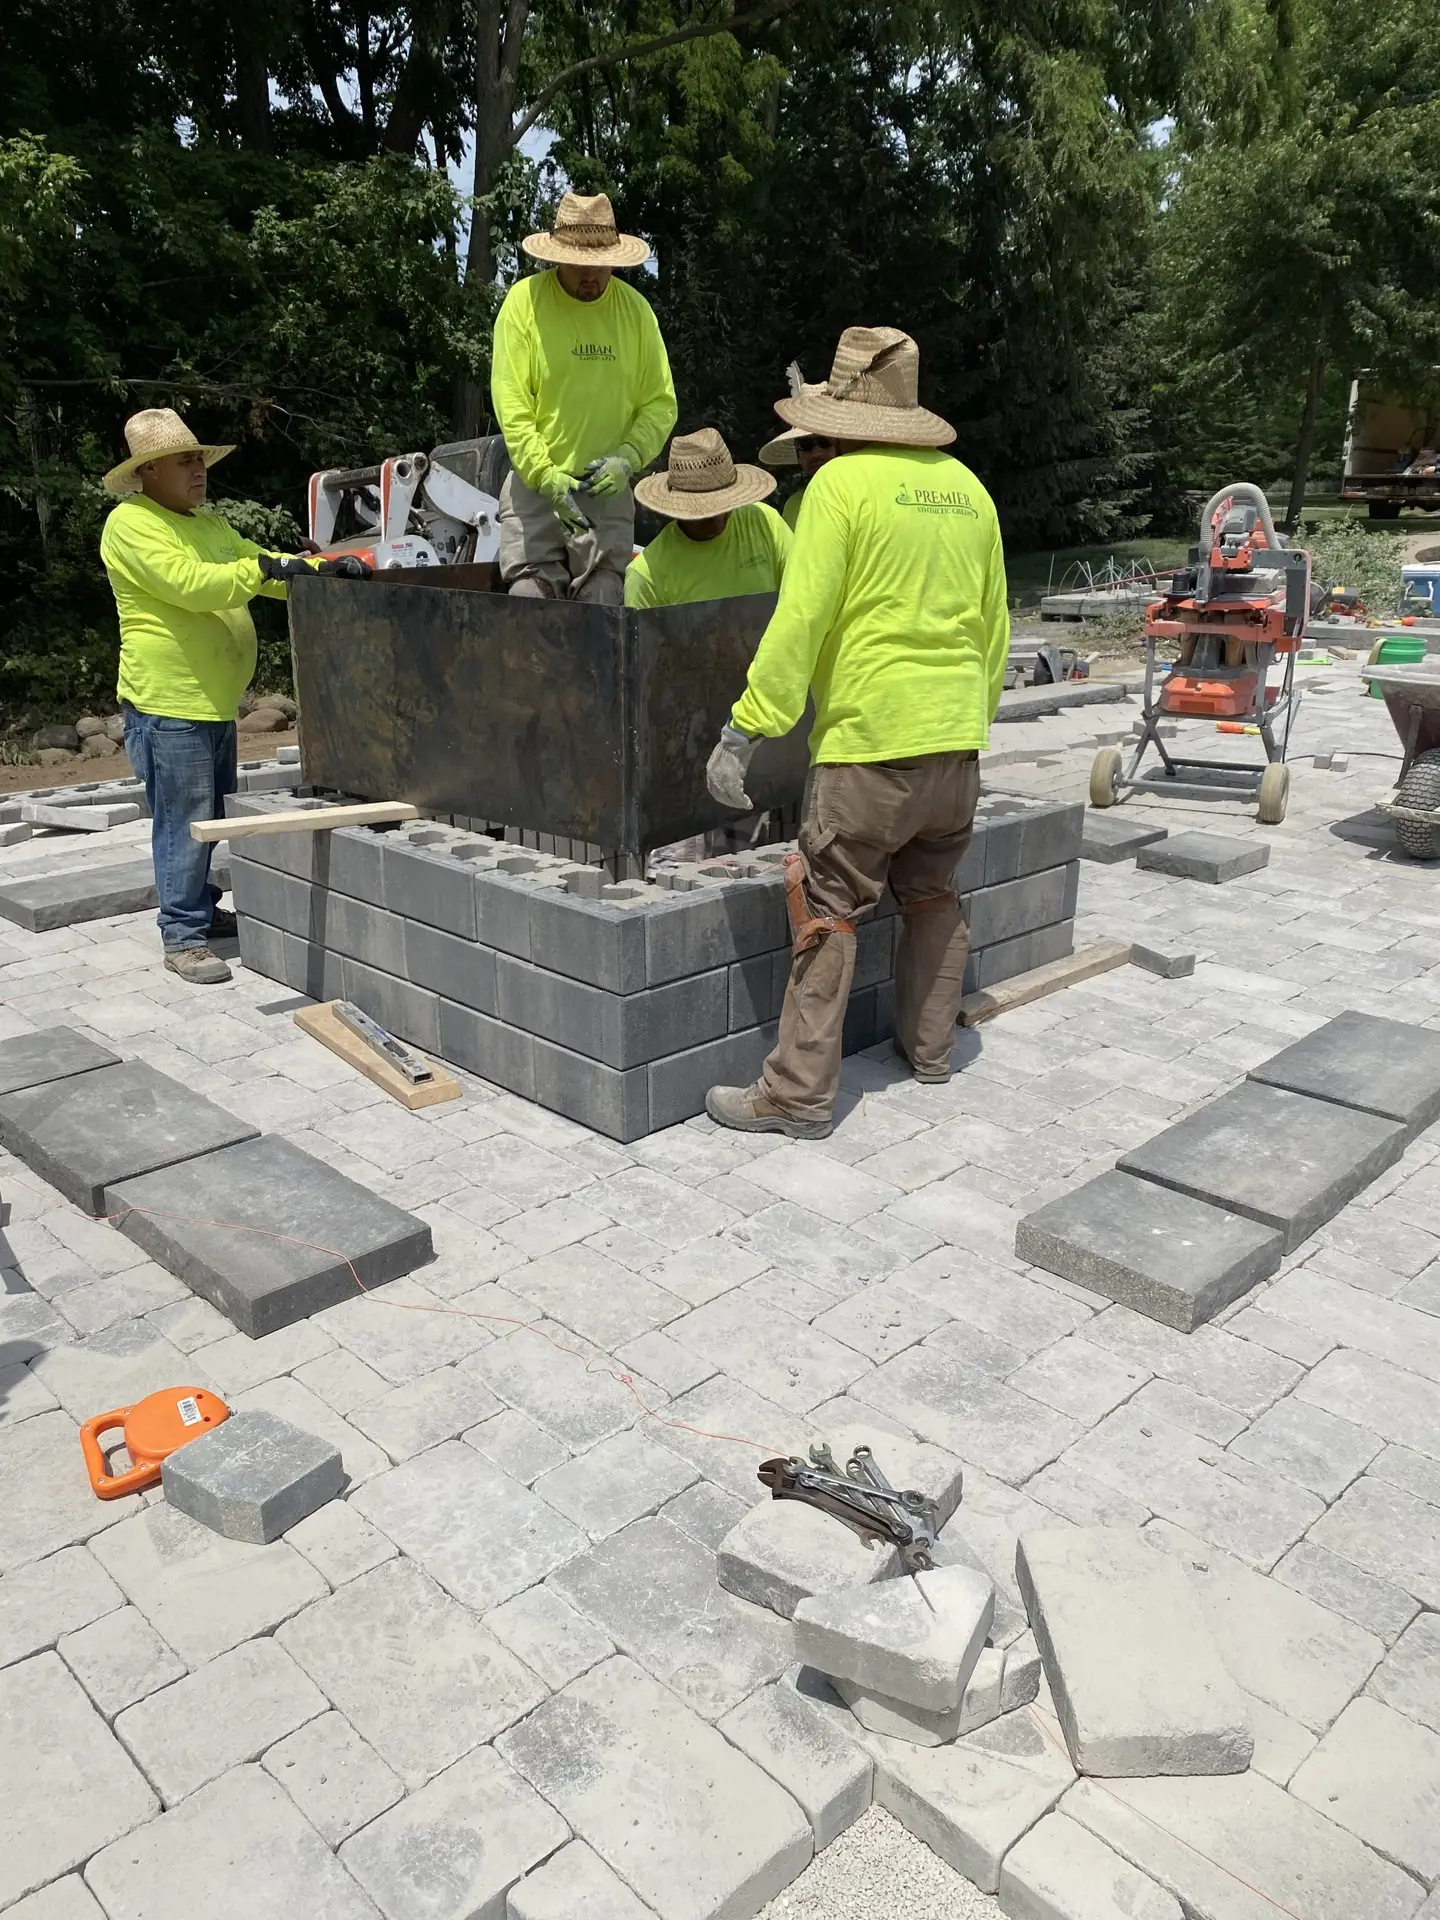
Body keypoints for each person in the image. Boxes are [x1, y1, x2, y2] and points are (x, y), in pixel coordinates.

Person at [702, 326, 1010, 1139]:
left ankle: (797, 1096)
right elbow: (995, 628)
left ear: (835, 419)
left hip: (870, 745)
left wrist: (747, 730)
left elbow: (799, 620)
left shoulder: (839, 490)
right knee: (934, 894)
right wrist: (968, 721)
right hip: (954, 746)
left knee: (827, 909)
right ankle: (932, 1050)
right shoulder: (970, 492)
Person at [99, 408, 365, 985]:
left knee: (208, 815)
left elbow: (260, 569)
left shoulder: (208, 524)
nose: (199, 469)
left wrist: (319, 568)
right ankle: (182, 935)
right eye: (186, 460)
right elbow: (193, 587)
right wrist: (266, 566)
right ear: (148, 471)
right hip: (169, 704)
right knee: (183, 820)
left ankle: (199, 910)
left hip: (213, 703)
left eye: (200, 458)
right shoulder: (131, 525)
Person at [490, 192, 677, 605]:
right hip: (535, 487)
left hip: (606, 492)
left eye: (599, 266)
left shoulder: (637, 313)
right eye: (578, 265)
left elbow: (660, 403)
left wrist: (628, 457)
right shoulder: (524, 304)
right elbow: (513, 405)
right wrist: (544, 475)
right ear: (557, 257)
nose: (590, 276)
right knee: (528, 597)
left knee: (605, 598)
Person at [625, 427, 791, 609]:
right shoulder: (647, 575)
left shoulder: (764, 521)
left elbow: (802, 593)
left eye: (721, 505)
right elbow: (644, 637)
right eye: (704, 511)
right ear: (677, 507)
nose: (717, 517)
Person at [759, 382, 837, 530]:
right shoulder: (793, 506)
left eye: (824, 442)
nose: (816, 453)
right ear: (798, 454)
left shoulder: (861, 495)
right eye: (805, 445)